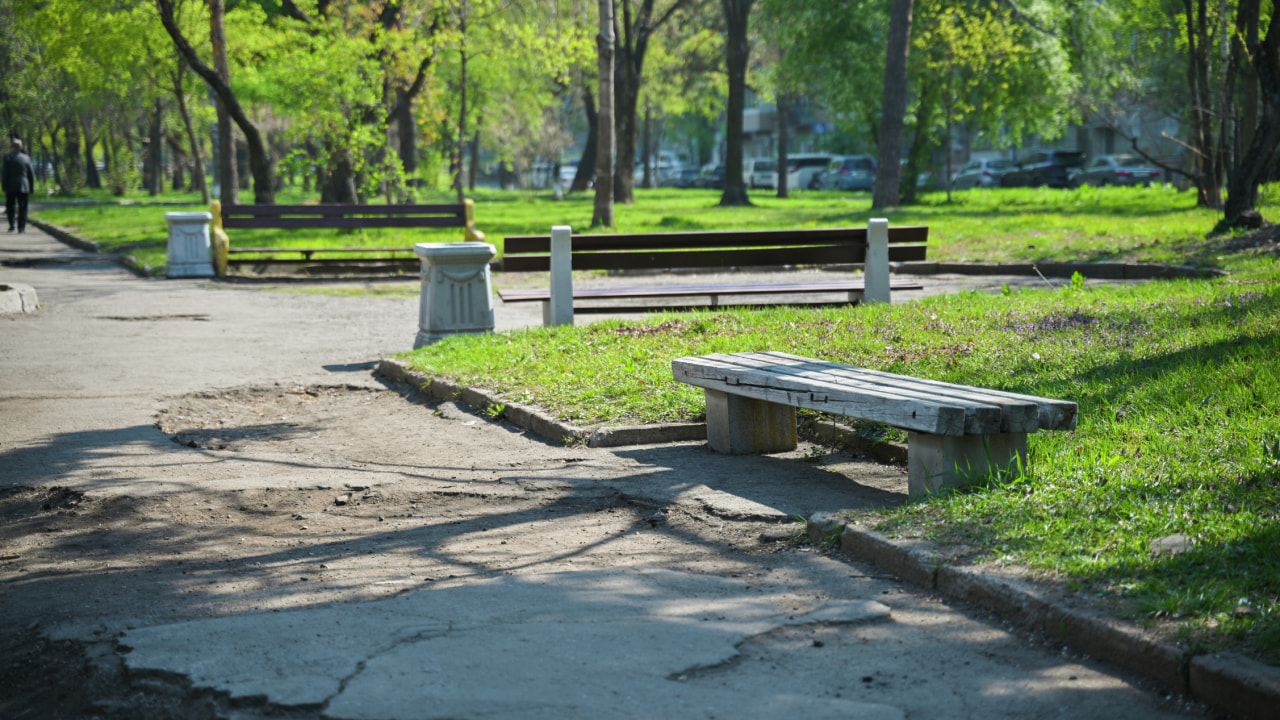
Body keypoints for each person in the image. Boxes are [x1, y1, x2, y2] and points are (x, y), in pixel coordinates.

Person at [3, 139, 37, 233]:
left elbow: (5, 174)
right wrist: (31, 188)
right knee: (23, 207)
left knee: (10, 206)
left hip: (10, 186)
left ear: (12, 147)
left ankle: (12, 225)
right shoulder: (26, 158)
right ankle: (21, 227)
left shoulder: (8, 158)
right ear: (21, 147)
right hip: (24, 186)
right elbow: (31, 174)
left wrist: (4, 186)